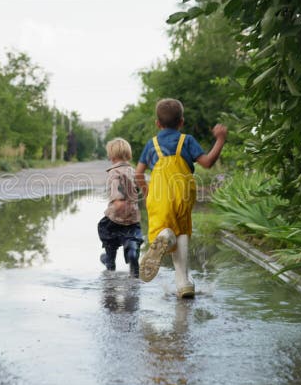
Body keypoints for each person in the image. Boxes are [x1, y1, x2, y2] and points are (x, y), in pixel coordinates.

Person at [136, 98, 227, 298]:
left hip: (159, 195)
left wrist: (148, 192)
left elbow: (138, 173)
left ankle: (165, 236)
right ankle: (183, 282)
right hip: (183, 193)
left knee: (162, 230)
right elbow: (208, 163)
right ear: (181, 122)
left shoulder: (151, 144)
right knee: (183, 231)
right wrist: (220, 139)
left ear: (157, 124)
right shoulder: (187, 140)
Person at [97, 138, 144, 277]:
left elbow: (117, 193)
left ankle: (110, 261)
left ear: (111, 156)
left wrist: (118, 203)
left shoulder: (114, 173)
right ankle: (132, 252)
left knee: (107, 234)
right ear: (128, 155)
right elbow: (140, 189)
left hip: (115, 217)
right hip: (132, 218)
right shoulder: (134, 171)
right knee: (132, 237)